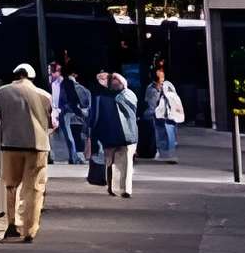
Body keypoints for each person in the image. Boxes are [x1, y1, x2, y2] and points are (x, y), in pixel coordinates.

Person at [0, 62, 55, 241]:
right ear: (32, 77)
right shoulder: (44, 95)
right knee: (35, 188)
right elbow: (52, 122)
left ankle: (13, 224)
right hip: (37, 146)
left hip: (10, 144)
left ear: (15, 75)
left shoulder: (1, 92)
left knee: (11, 185)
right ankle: (29, 229)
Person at [88, 69, 142, 198]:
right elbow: (95, 117)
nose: (115, 82)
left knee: (126, 163)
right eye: (112, 80)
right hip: (110, 135)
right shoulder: (101, 97)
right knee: (110, 163)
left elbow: (131, 109)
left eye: (116, 80)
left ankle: (124, 189)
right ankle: (113, 187)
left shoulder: (127, 95)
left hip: (126, 135)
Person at [54, 59, 95, 168]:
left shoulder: (66, 83)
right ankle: (74, 157)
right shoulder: (71, 84)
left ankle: (74, 157)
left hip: (66, 111)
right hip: (68, 110)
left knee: (69, 136)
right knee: (70, 136)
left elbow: (71, 99)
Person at [148, 70, 184, 162]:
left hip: (169, 116)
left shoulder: (167, 86)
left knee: (170, 135)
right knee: (160, 135)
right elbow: (151, 103)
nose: (163, 79)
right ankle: (163, 154)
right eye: (161, 77)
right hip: (158, 116)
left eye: (163, 77)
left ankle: (170, 155)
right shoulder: (151, 89)